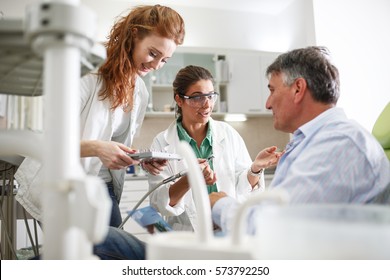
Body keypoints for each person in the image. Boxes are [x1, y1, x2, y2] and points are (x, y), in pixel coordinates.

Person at [14, 4, 185, 227]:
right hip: (63, 182)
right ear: (133, 35)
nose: (156, 65)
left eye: (164, 60)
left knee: (107, 255)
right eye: (153, 53)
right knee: (84, 255)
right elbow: (39, 137)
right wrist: (96, 148)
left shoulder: (140, 91)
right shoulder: (86, 70)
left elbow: (115, 145)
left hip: (103, 187)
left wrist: (140, 160)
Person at [209, 46, 390, 234]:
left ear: (298, 89)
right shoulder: (313, 142)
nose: (268, 104)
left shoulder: (338, 145)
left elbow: (275, 229)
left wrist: (219, 204)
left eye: (272, 90)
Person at [144, 65, 282, 232]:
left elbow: (243, 190)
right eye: (197, 97)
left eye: (210, 96)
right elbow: (161, 203)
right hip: (189, 233)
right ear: (179, 100)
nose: (207, 104)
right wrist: (190, 178)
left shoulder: (228, 134)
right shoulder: (162, 143)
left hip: (226, 229)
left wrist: (255, 169)